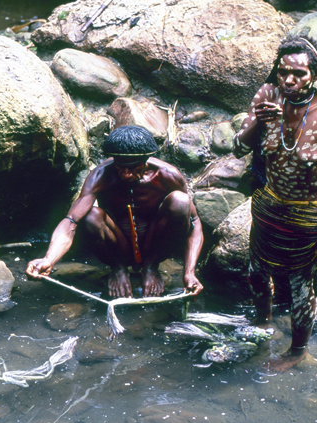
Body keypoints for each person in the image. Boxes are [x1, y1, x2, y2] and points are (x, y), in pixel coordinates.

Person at [232, 37, 317, 370]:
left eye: (298, 73)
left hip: (312, 216)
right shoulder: (267, 96)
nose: (289, 80)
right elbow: (238, 147)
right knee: (257, 273)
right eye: (283, 72)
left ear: (314, 74)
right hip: (268, 206)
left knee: (298, 281)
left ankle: (297, 351)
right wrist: (260, 123)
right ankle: (262, 324)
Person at [26, 125, 204, 299]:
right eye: (121, 168)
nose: (126, 175)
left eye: (134, 168)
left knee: (181, 201)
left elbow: (194, 224)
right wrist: (49, 259)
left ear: (145, 161)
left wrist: (189, 272)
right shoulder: (100, 176)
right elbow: (71, 221)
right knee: (90, 214)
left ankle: (151, 268)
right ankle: (118, 269)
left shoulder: (167, 175)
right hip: (119, 246)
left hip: (155, 245)